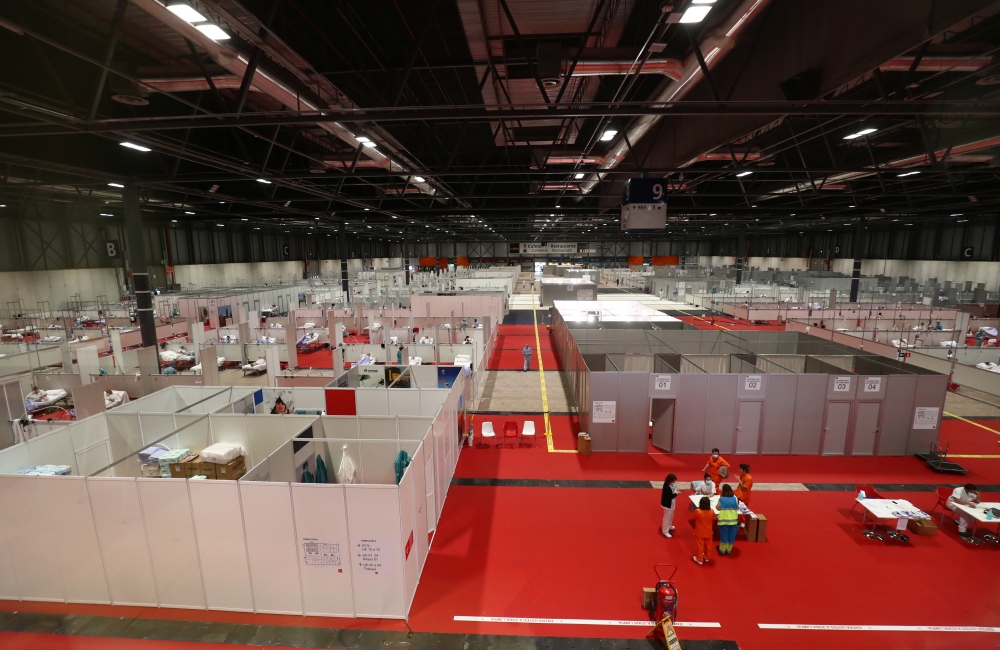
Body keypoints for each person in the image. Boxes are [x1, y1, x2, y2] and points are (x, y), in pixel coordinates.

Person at [717, 484, 739, 555]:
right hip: (733, 520)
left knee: (724, 535)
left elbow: (718, 508)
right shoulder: (735, 498)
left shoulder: (721, 499)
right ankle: (729, 550)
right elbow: (737, 507)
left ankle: (722, 550)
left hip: (724, 520)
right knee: (731, 535)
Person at [692, 497, 714, 565]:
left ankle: (699, 559)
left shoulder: (698, 511)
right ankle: (707, 557)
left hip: (700, 531)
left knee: (700, 545)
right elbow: (713, 519)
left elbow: (692, 516)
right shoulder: (712, 511)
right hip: (709, 531)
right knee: (708, 545)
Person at [660, 473, 678, 538]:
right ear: (669, 480)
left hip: (672, 503)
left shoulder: (670, 484)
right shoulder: (666, 486)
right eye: (673, 481)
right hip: (668, 504)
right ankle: (665, 530)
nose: (674, 482)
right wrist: (677, 493)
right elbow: (669, 497)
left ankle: (669, 525)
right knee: (667, 517)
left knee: (671, 516)